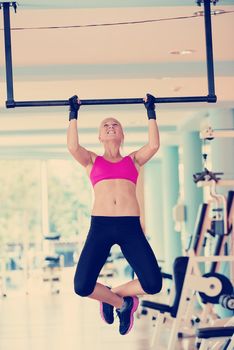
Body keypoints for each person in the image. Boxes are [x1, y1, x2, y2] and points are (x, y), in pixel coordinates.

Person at [67, 94, 163, 336]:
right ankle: (122, 304)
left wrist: (150, 110)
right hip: (100, 226)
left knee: (153, 284)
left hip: (130, 227)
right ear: (100, 136)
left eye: (115, 125)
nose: (111, 127)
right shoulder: (91, 160)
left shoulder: (134, 160)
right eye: (105, 126)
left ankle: (113, 294)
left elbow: (153, 146)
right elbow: (72, 147)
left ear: (122, 135)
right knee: (82, 286)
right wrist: (73, 113)